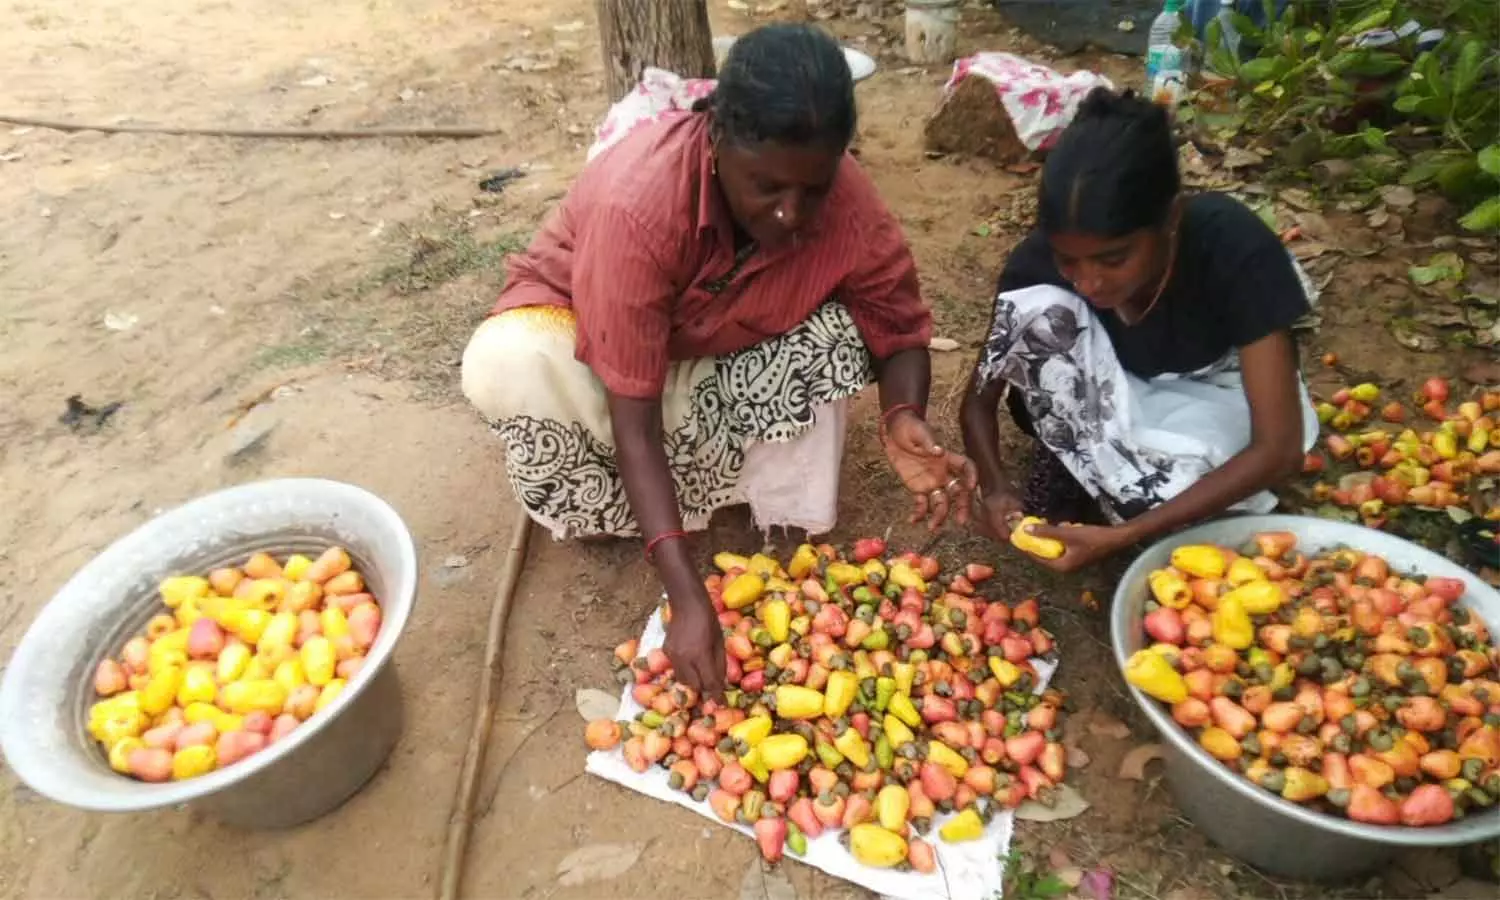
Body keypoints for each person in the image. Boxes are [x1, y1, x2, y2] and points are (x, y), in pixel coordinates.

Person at [462, 24, 976, 696]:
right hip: (594, 348)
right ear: (715, 139)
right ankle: (623, 516)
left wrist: (903, 414)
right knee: (507, 364)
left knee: (844, 332)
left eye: (813, 189)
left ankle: (755, 496)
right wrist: (686, 593)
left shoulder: (844, 197)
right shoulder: (638, 205)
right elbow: (634, 419)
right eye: (766, 186)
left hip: (713, 343)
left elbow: (897, 321)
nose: (791, 213)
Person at [960, 87, 1318, 573]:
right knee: (1036, 315)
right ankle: (1080, 467)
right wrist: (995, 485)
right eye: (1069, 260)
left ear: (1170, 219)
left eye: (1114, 259)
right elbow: (978, 402)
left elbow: (1277, 449)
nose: (1089, 282)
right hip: (1106, 393)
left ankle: (1115, 489)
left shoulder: (1232, 247)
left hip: (1209, 393)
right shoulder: (1037, 265)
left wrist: (1126, 535)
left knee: (1185, 488)